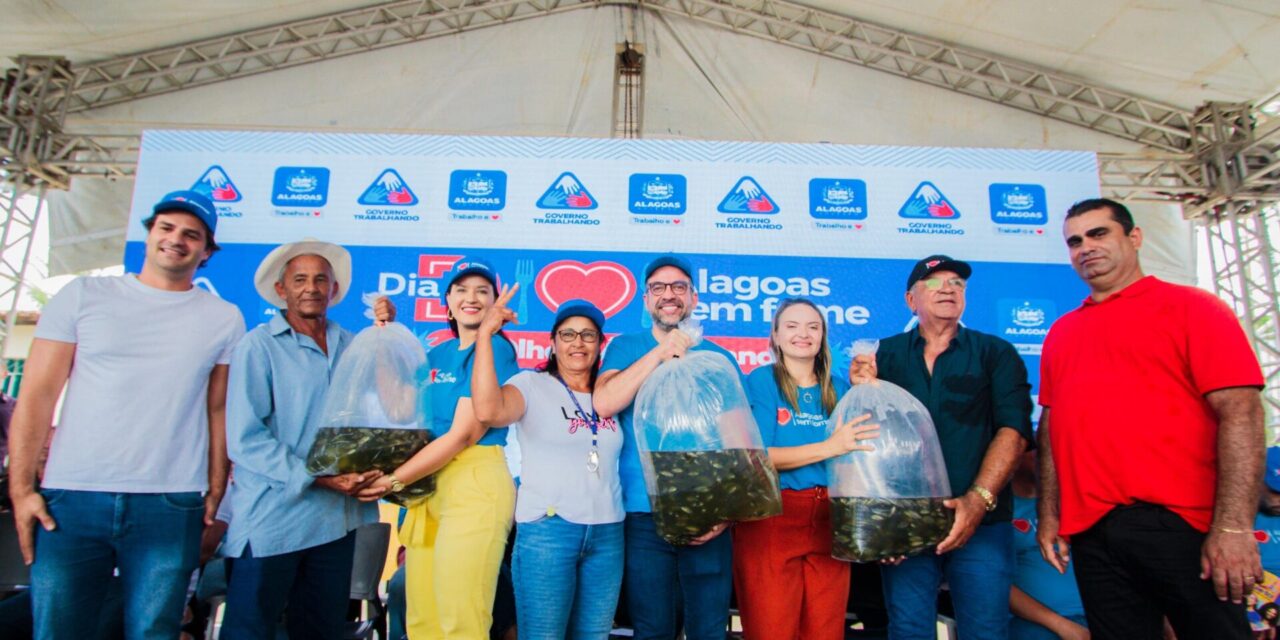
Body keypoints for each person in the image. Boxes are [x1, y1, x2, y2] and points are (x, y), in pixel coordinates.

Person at [7, 190, 246, 639]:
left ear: (206, 251)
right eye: (167, 228)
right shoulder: (83, 294)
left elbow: (218, 409)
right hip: (73, 498)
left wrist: (216, 487)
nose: (176, 240)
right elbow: (38, 395)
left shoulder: (223, 317)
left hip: (170, 501)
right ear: (149, 233)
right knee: (58, 630)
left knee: (154, 631)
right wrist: (22, 489)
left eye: (191, 235)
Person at [1037, 198, 1265, 640]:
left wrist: (1234, 527)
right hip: (1092, 532)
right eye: (1075, 241)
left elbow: (1242, 413)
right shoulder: (1062, 331)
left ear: (1134, 237)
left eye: (1099, 233)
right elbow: (1051, 429)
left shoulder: (1195, 308)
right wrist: (1049, 515)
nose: (1086, 247)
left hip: (1185, 525)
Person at [850, 254, 1034, 640]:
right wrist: (860, 391)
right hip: (907, 522)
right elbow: (865, 438)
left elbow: (1013, 432)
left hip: (983, 520)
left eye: (957, 283)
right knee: (908, 629)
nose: (948, 289)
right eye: (934, 283)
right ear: (910, 300)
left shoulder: (995, 352)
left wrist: (978, 499)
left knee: (986, 630)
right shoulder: (882, 355)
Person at [220, 239, 394, 639]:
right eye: (299, 279)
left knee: (320, 631)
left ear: (334, 290)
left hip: (335, 523)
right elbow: (245, 440)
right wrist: (321, 477)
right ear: (281, 290)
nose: (311, 288)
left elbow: (387, 405)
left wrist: (385, 336)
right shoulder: (258, 346)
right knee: (250, 630)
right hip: (272, 520)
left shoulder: (354, 344)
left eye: (321, 279)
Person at [359, 257, 519, 639]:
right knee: (423, 622)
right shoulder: (437, 354)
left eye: (483, 291)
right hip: (427, 488)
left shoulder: (495, 349)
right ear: (446, 301)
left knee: (460, 620)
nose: (472, 298)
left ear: (496, 301)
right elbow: (398, 406)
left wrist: (391, 482)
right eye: (461, 290)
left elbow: (464, 434)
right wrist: (386, 337)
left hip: (473, 484)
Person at [592, 254, 741, 640]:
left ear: (693, 297)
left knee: (709, 630)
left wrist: (726, 516)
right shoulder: (627, 347)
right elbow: (605, 402)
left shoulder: (719, 359)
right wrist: (662, 353)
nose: (669, 295)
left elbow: (738, 443)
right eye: (658, 288)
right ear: (646, 300)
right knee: (652, 629)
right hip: (644, 516)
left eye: (679, 287)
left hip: (709, 516)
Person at [471, 294, 624, 640]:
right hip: (549, 531)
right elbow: (488, 411)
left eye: (588, 335)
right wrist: (485, 336)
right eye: (567, 335)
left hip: (608, 533)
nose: (578, 343)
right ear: (552, 343)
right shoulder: (531, 384)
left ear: (601, 344)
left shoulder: (613, 394)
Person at [735, 298, 879, 640]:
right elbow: (758, 457)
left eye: (813, 327)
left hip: (830, 520)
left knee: (826, 631)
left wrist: (869, 394)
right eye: (792, 326)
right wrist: (831, 447)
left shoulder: (841, 388)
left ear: (823, 336)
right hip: (772, 516)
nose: (803, 334)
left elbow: (862, 456)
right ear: (775, 335)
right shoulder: (761, 381)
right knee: (772, 630)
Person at [1008, 451, 1088, 640]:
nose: (1040, 454)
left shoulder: (1075, 501)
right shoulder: (1000, 513)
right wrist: (1062, 626)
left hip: (1102, 615)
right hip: (1035, 624)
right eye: (1032, 446)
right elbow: (996, 583)